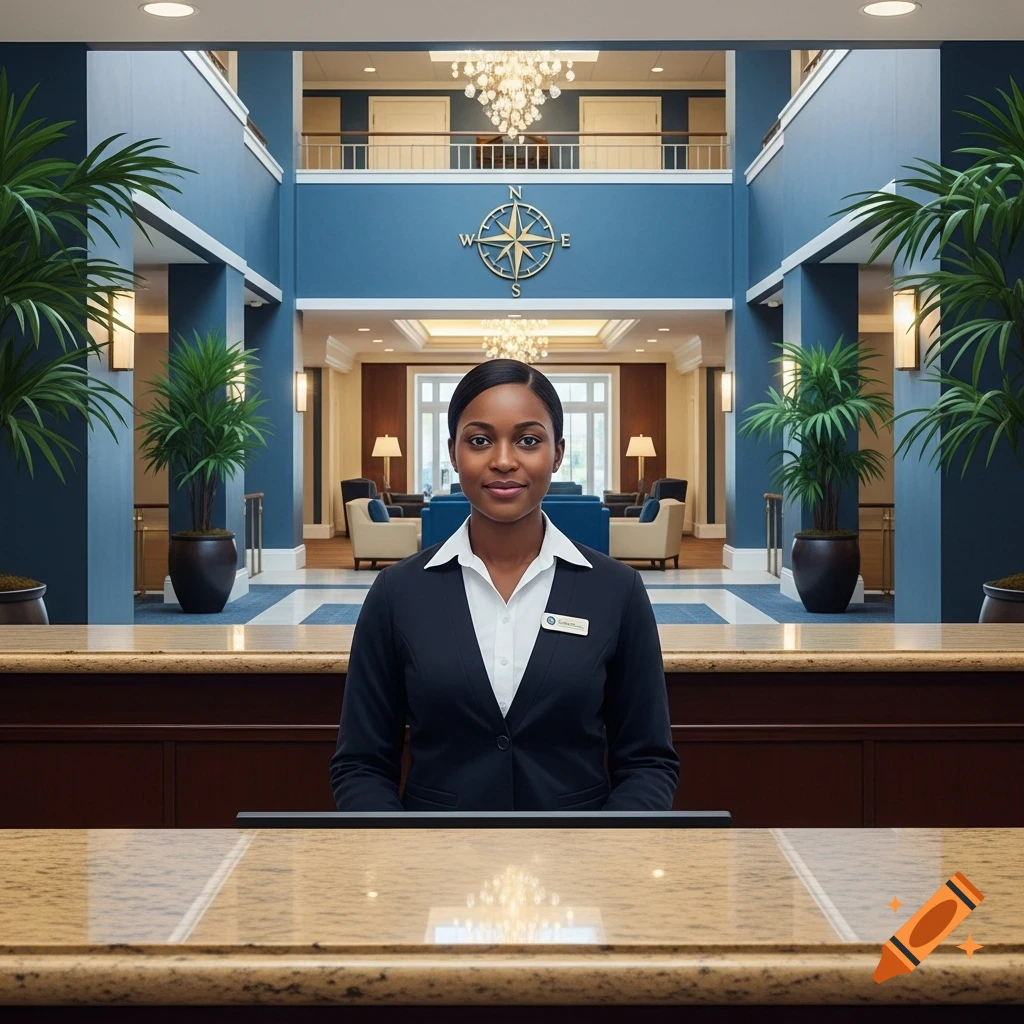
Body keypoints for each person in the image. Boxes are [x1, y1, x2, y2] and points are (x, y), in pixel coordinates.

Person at [330, 358, 679, 811]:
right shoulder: (397, 593)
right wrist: (402, 860)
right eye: (479, 441)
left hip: (578, 865)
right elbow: (361, 765)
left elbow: (649, 763)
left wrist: (604, 857)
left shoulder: (618, 591)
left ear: (557, 452)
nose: (503, 461)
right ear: (454, 452)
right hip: (434, 866)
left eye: (528, 440)